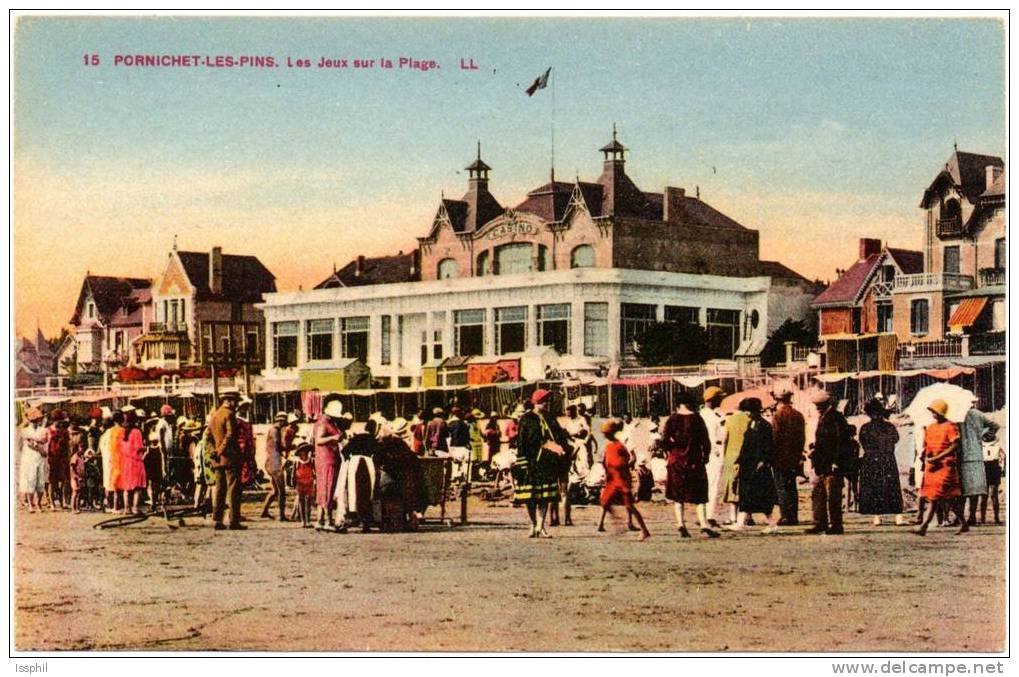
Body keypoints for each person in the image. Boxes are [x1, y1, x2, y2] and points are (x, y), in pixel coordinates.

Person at [513, 389, 568, 538]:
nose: (546, 403)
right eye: (544, 401)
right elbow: (522, 442)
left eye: (547, 401)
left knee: (544, 497)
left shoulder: (550, 418)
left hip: (546, 463)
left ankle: (540, 526)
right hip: (531, 463)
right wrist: (522, 462)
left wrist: (560, 447)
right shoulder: (526, 419)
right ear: (536, 402)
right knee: (530, 497)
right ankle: (532, 524)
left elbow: (558, 436)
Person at [663, 392, 719, 538]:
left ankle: (681, 524)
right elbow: (705, 441)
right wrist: (705, 456)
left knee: (678, 495)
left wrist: (670, 452)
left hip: (676, 460)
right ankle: (704, 524)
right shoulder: (697, 419)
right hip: (694, 460)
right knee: (700, 494)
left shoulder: (672, 419)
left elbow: (665, 440)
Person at [913, 399, 968, 536]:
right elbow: (927, 445)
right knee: (946, 498)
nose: (934, 415)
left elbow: (955, 445)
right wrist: (924, 455)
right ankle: (964, 523)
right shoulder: (930, 427)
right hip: (932, 467)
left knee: (935, 497)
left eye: (936, 412)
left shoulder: (951, 426)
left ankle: (924, 526)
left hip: (945, 466)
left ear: (942, 412)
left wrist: (938, 457)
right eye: (932, 412)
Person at [728, 398, 780, 533]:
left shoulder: (764, 426)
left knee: (760, 497)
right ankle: (741, 522)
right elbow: (745, 446)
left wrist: (763, 461)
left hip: (758, 466)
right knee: (747, 495)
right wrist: (739, 461)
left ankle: (772, 524)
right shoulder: (752, 423)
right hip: (748, 465)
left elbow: (768, 447)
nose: (747, 414)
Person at [596, 419, 651, 541]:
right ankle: (618, 523)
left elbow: (628, 458)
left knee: (630, 506)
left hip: (621, 479)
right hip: (612, 479)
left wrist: (622, 467)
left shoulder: (618, 446)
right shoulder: (609, 446)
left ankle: (644, 530)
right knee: (605, 502)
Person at [806, 391, 851, 535]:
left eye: (820, 405)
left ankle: (836, 524)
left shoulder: (836, 418)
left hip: (832, 464)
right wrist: (815, 448)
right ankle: (820, 523)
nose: (818, 407)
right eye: (817, 405)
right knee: (818, 494)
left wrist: (836, 461)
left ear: (827, 404)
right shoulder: (825, 417)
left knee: (833, 496)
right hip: (821, 462)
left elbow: (841, 442)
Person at [857, 398, 904, 526]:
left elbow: (863, 442)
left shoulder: (865, 428)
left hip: (872, 459)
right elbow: (896, 439)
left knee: (875, 488)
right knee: (892, 487)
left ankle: (877, 516)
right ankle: (898, 516)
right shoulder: (889, 426)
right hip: (887, 458)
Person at [374, 417, 426, 531]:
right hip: (402, 482)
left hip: (388, 481)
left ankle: (389, 522)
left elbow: (378, 462)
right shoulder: (402, 445)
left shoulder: (384, 445)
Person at [959, 397, 998, 526]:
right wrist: (986, 436)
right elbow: (995, 426)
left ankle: (961, 517)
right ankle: (972, 516)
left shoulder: (957, 416)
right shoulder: (979, 414)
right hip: (976, 454)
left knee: (963, 489)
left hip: (962, 455)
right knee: (974, 489)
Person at [209, 389, 245, 530]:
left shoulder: (215, 415)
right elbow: (230, 436)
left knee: (220, 489)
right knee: (234, 490)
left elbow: (208, 435)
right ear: (229, 401)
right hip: (230, 457)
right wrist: (221, 450)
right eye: (235, 402)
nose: (236, 405)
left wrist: (214, 451)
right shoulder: (229, 415)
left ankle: (217, 520)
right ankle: (234, 521)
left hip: (218, 459)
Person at [771, 389, 805, 526]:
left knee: (782, 486)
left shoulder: (778, 415)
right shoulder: (798, 415)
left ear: (778, 401)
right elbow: (802, 437)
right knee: (792, 486)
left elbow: (775, 436)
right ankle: (793, 516)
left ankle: (785, 515)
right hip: (794, 456)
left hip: (780, 456)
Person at [313, 399, 346, 532]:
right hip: (327, 460)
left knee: (323, 489)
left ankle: (320, 520)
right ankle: (328, 521)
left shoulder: (325, 422)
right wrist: (334, 438)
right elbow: (319, 440)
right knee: (328, 489)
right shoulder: (324, 423)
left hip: (327, 459)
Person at [699, 386, 728, 528]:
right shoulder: (711, 416)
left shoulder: (702, 414)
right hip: (713, 454)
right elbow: (713, 437)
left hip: (705, 454)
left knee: (708, 486)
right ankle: (709, 516)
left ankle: (705, 515)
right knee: (713, 485)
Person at [719, 402, 751, 524]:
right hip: (747, 456)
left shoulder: (729, 420)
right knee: (746, 487)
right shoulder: (749, 420)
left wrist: (723, 456)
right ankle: (748, 516)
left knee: (732, 489)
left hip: (731, 456)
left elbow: (724, 439)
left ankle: (733, 517)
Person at [116, 407, 148, 515]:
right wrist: (145, 448)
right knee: (137, 486)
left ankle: (126, 508)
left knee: (127, 486)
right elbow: (139, 447)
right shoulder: (137, 432)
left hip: (124, 461)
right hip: (136, 461)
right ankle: (135, 507)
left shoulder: (121, 432)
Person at [18, 407, 49, 512]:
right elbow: (26, 444)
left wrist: (35, 442)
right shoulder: (25, 431)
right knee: (30, 481)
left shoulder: (43, 430)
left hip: (40, 458)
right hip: (29, 458)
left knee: (40, 482)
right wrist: (36, 444)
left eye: (37, 420)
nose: (36, 422)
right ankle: (31, 504)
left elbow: (44, 440)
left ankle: (39, 503)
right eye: (33, 420)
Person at [260, 412, 289, 521]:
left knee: (275, 491)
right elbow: (279, 446)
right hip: (274, 462)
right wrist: (288, 447)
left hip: (271, 461)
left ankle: (264, 511)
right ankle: (282, 515)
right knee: (281, 491)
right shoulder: (275, 431)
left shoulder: (273, 430)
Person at [980, 435, 1004, 524]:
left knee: (992, 495)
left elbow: (1003, 459)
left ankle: (996, 518)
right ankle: (984, 518)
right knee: (985, 496)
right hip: (987, 469)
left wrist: (1003, 469)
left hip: (992, 469)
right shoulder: (981, 446)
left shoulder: (997, 447)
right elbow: (1003, 458)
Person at [236, 397, 258, 488]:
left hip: (248, 447)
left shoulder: (245, 419)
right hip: (242, 448)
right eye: (244, 407)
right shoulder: (237, 420)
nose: (246, 409)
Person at [293, 443, 315, 528]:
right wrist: (293, 482)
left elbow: (314, 471)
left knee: (308, 502)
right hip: (300, 483)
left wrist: (315, 479)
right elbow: (293, 473)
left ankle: (308, 520)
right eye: (302, 451)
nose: (304, 452)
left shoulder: (311, 461)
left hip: (309, 483)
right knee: (301, 501)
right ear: (299, 453)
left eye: (306, 450)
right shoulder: (297, 462)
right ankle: (303, 520)